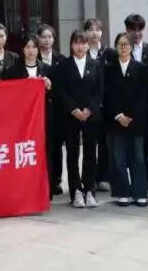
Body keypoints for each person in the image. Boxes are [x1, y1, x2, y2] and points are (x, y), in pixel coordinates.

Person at [55, 30, 103, 208]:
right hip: (70, 115)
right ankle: (76, 191)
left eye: (83, 43)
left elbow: (99, 91)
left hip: (91, 115)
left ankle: (90, 190)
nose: (80, 46)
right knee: (73, 153)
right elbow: (60, 90)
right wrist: (74, 109)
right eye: (76, 43)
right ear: (71, 45)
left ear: (88, 45)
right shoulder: (64, 65)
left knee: (90, 153)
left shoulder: (95, 64)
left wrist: (90, 109)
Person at [3, 35, 54, 200]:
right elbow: (7, 95)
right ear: (22, 50)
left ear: (38, 49)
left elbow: (56, 95)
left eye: (33, 47)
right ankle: (21, 190)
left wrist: (49, 87)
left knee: (44, 153)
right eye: (27, 47)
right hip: (21, 122)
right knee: (22, 154)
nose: (31, 50)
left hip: (43, 120)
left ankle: (45, 190)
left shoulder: (47, 69)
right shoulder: (13, 71)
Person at [103, 32, 148, 206]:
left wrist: (131, 116)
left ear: (131, 47)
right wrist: (119, 115)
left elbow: (142, 96)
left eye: (126, 44)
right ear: (116, 47)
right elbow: (107, 95)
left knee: (138, 157)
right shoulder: (108, 69)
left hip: (136, 119)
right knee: (118, 157)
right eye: (120, 44)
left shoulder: (141, 68)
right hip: (115, 120)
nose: (123, 48)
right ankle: (122, 192)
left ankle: (139, 192)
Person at [35, 24, 64, 197]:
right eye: (43, 37)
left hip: (57, 108)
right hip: (38, 109)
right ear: (38, 39)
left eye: (49, 37)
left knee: (56, 146)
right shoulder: (33, 56)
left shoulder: (60, 58)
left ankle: (56, 180)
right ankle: (42, 179)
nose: (46, 40)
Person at [84, 18, 112, 193]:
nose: (94, 33)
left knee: (104, 143)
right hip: (87, 105)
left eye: (97, 29)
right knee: (89, 143)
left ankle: (104, 177)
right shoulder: (82, 52)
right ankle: (89, 177)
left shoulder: (109, 53)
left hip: (106, 105)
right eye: (91, 29)